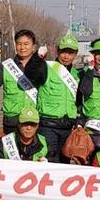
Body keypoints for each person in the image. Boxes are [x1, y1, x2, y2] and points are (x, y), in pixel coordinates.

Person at [37, 34, 81, 162]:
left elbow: (80, 101)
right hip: (48, 125)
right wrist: (37, 58)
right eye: (63, 52)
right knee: (49, 161)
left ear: (76, 54)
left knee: (65, 163)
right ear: (57, 50)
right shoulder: (47, 67)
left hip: (68, 127)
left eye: (70, 53)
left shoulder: (77, 74)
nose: (66, 56)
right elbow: (31, 72)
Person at [0, 29, 49, 135]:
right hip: (12, 120)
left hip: (34, 119)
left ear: (33, 47)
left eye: (26, 44)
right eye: (19, 44)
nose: (22, 47)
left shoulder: (42, 66)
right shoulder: (7, 65)